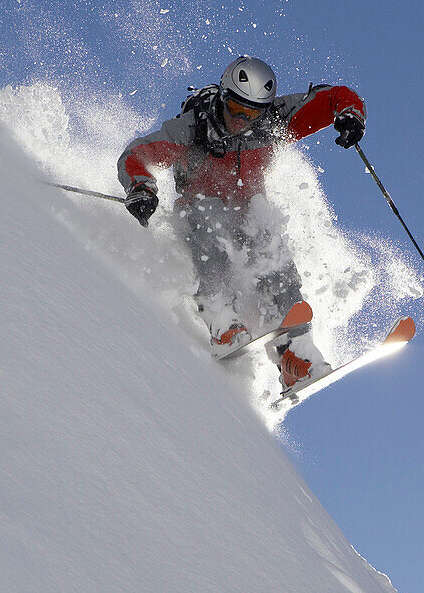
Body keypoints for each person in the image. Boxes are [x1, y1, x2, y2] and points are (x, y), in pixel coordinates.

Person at [117, 55, 366, 391]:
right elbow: (138, 154)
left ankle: (296, 353)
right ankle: (221, 318)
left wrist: (348, 114)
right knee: (209, 219)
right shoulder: (193, 129)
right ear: (223, 96)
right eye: (235, 108)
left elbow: (330, 98)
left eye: (251, 113)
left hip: (246, 209)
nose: (241, 119)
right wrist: (141, 187)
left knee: (269, 245)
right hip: (198, 210)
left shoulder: (274, 122)